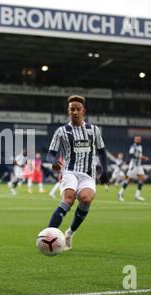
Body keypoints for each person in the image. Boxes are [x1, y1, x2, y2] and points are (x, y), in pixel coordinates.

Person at [47, 95, 108, 250]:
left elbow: (102, 152)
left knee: (86, 199)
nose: (74, 112)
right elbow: (51, 153)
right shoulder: (62, 131)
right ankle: (49, 236)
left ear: (83, 111)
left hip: (88, 174)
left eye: (77, 109)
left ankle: (69, 233)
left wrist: (105, 172)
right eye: (72, 109)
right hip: (69, 171)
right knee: (68, 199)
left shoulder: (93, 130)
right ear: (68, 111)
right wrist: (54, 162)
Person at [117, 136, 149, 202]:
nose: (138, 140)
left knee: (142, 179)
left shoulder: (140, 147)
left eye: (139, 139)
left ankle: (137, 195)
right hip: (133, 166)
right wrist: (140, 157)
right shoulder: (133, 147)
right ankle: (120, 193)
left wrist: (144, 157)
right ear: (135, 140)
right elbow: (131, 155)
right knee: (128, 180)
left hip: (139, 166)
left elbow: (139, 155)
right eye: (137, 139)